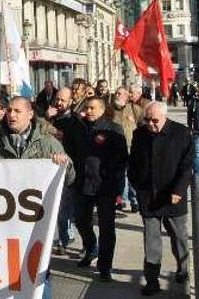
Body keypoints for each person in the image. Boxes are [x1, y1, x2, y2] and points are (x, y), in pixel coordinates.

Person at [0, 97, 73, 299]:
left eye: (17, 111)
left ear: (30, 114)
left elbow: (70, 176)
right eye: (9, 111)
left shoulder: (47, 142)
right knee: (20, 272)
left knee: (40, 273)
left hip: (40, 220)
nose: (12, 115)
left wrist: (63, 163)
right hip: (10, 220)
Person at [128, 101, 193, 295]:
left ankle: (183, 269)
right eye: (147, 119)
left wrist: (179, 191)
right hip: (148, 196)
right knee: (151, 240)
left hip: (173, 196)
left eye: (154, 120)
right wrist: (136, 185)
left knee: (178, 236)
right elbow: (133, 163)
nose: (150, 124)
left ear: (164, 117)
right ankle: (152, 279)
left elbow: (187, 166)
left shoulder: (181, 133)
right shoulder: (140, 134)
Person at [73, 97, 128, 282]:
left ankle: (105, 266)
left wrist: (118, 188)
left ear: (103, 110)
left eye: (92, 108)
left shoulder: (113, 129)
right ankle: (91, 248)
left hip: (105, 186)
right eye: (86, 108)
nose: (88, 111)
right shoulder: (79, 127)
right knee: (81, 221)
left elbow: (122, 160)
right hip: (82, 183)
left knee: (106, 228)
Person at [47, 87, 83, 255]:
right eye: (57, 99)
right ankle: (65, 237)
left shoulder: (75, 121)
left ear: (70, 102)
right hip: (51, 168)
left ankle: (69, 238)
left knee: (68, 210)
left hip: (69, 169)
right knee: (60, 209)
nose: (59, 103)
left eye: (63, 100)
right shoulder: (50, 117)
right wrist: (47, 119)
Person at [111, 87, 143, 213]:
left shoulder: (135, 109)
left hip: (132, 146)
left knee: (132, 174)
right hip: (116, 148)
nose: (116, 95)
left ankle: (134, 200)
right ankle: (121, 200)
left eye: (119, 93)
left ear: (126, 96)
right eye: (116, 93)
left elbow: (143, 125)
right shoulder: (110, 110)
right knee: (120, 175)